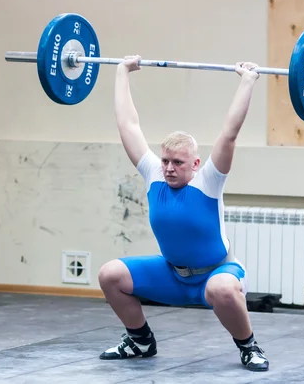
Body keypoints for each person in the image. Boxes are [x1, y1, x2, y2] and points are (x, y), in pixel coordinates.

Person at [97, 55, 269, 372]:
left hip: (217, 275)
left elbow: (229, 134)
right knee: (110, 274)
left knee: (221, 290)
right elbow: (128, 125)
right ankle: (140, 340)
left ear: (195, 164)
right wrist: (122, 72)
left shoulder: (209, 182)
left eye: (178, 162)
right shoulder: (154, 176)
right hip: (173, 276)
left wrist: (247, 82)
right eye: (166, 161)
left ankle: (249, 347)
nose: (169, 168)